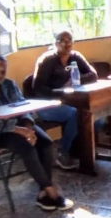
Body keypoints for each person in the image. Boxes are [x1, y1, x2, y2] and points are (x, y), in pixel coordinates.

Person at [0, 56, 73, 211]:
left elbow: (23, 107)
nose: (1, 75)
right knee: (28, 148)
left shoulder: (10, 84)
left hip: (20, 125)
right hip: (2, 132)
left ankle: (43, 193)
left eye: (3, 71)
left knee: (46, 143)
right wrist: (20, 130)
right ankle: (51, 190)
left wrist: (28, 126)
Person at [32, 30, 98, 170]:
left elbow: (93, 75)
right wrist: (60, 91)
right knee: (76, 114)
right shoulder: (48, 60)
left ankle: (80, 149)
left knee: (96, 117)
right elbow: (37, 88)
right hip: (46, 105)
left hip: (69, 102)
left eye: (70, 40)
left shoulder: (76, 57)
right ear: (56, 43)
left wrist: (75, 80)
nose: (68, 44)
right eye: (63, 41)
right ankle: (62, 153)